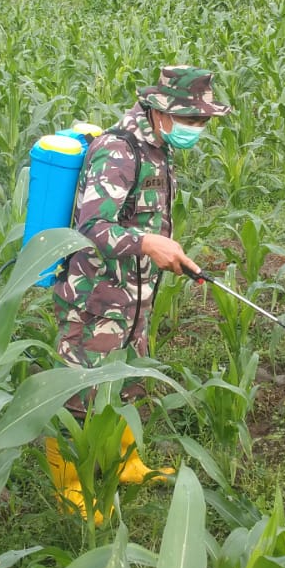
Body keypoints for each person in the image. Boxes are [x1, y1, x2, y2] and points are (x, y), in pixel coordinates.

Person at [44, 65, 232, 519]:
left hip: (134, 291)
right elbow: (92, 227)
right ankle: (68, 484)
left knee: (125, 375)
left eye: (203, 121)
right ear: (162, 112)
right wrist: (149, 243)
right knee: (78, 390)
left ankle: (125, 462)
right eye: (194, 120)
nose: (198, 129)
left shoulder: (158, 147)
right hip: (96, 296)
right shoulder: (118, 150)